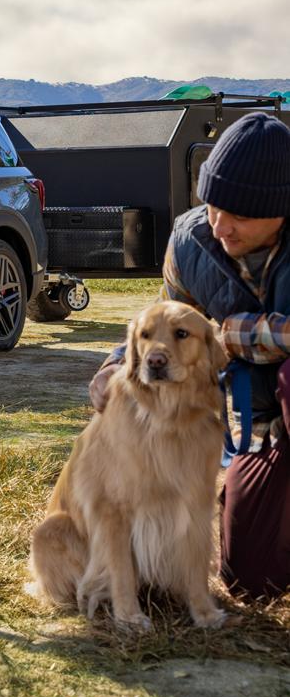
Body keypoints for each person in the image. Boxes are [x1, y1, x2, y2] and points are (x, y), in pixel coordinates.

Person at [89, 111, 290, 599]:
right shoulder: (191, 240)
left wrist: (231, 335)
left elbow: (216, 337)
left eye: (239, 213)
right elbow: (170, 318)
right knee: (251, 580)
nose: (220, 225)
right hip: (263, 429)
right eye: (212, 204)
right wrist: (120, 362)